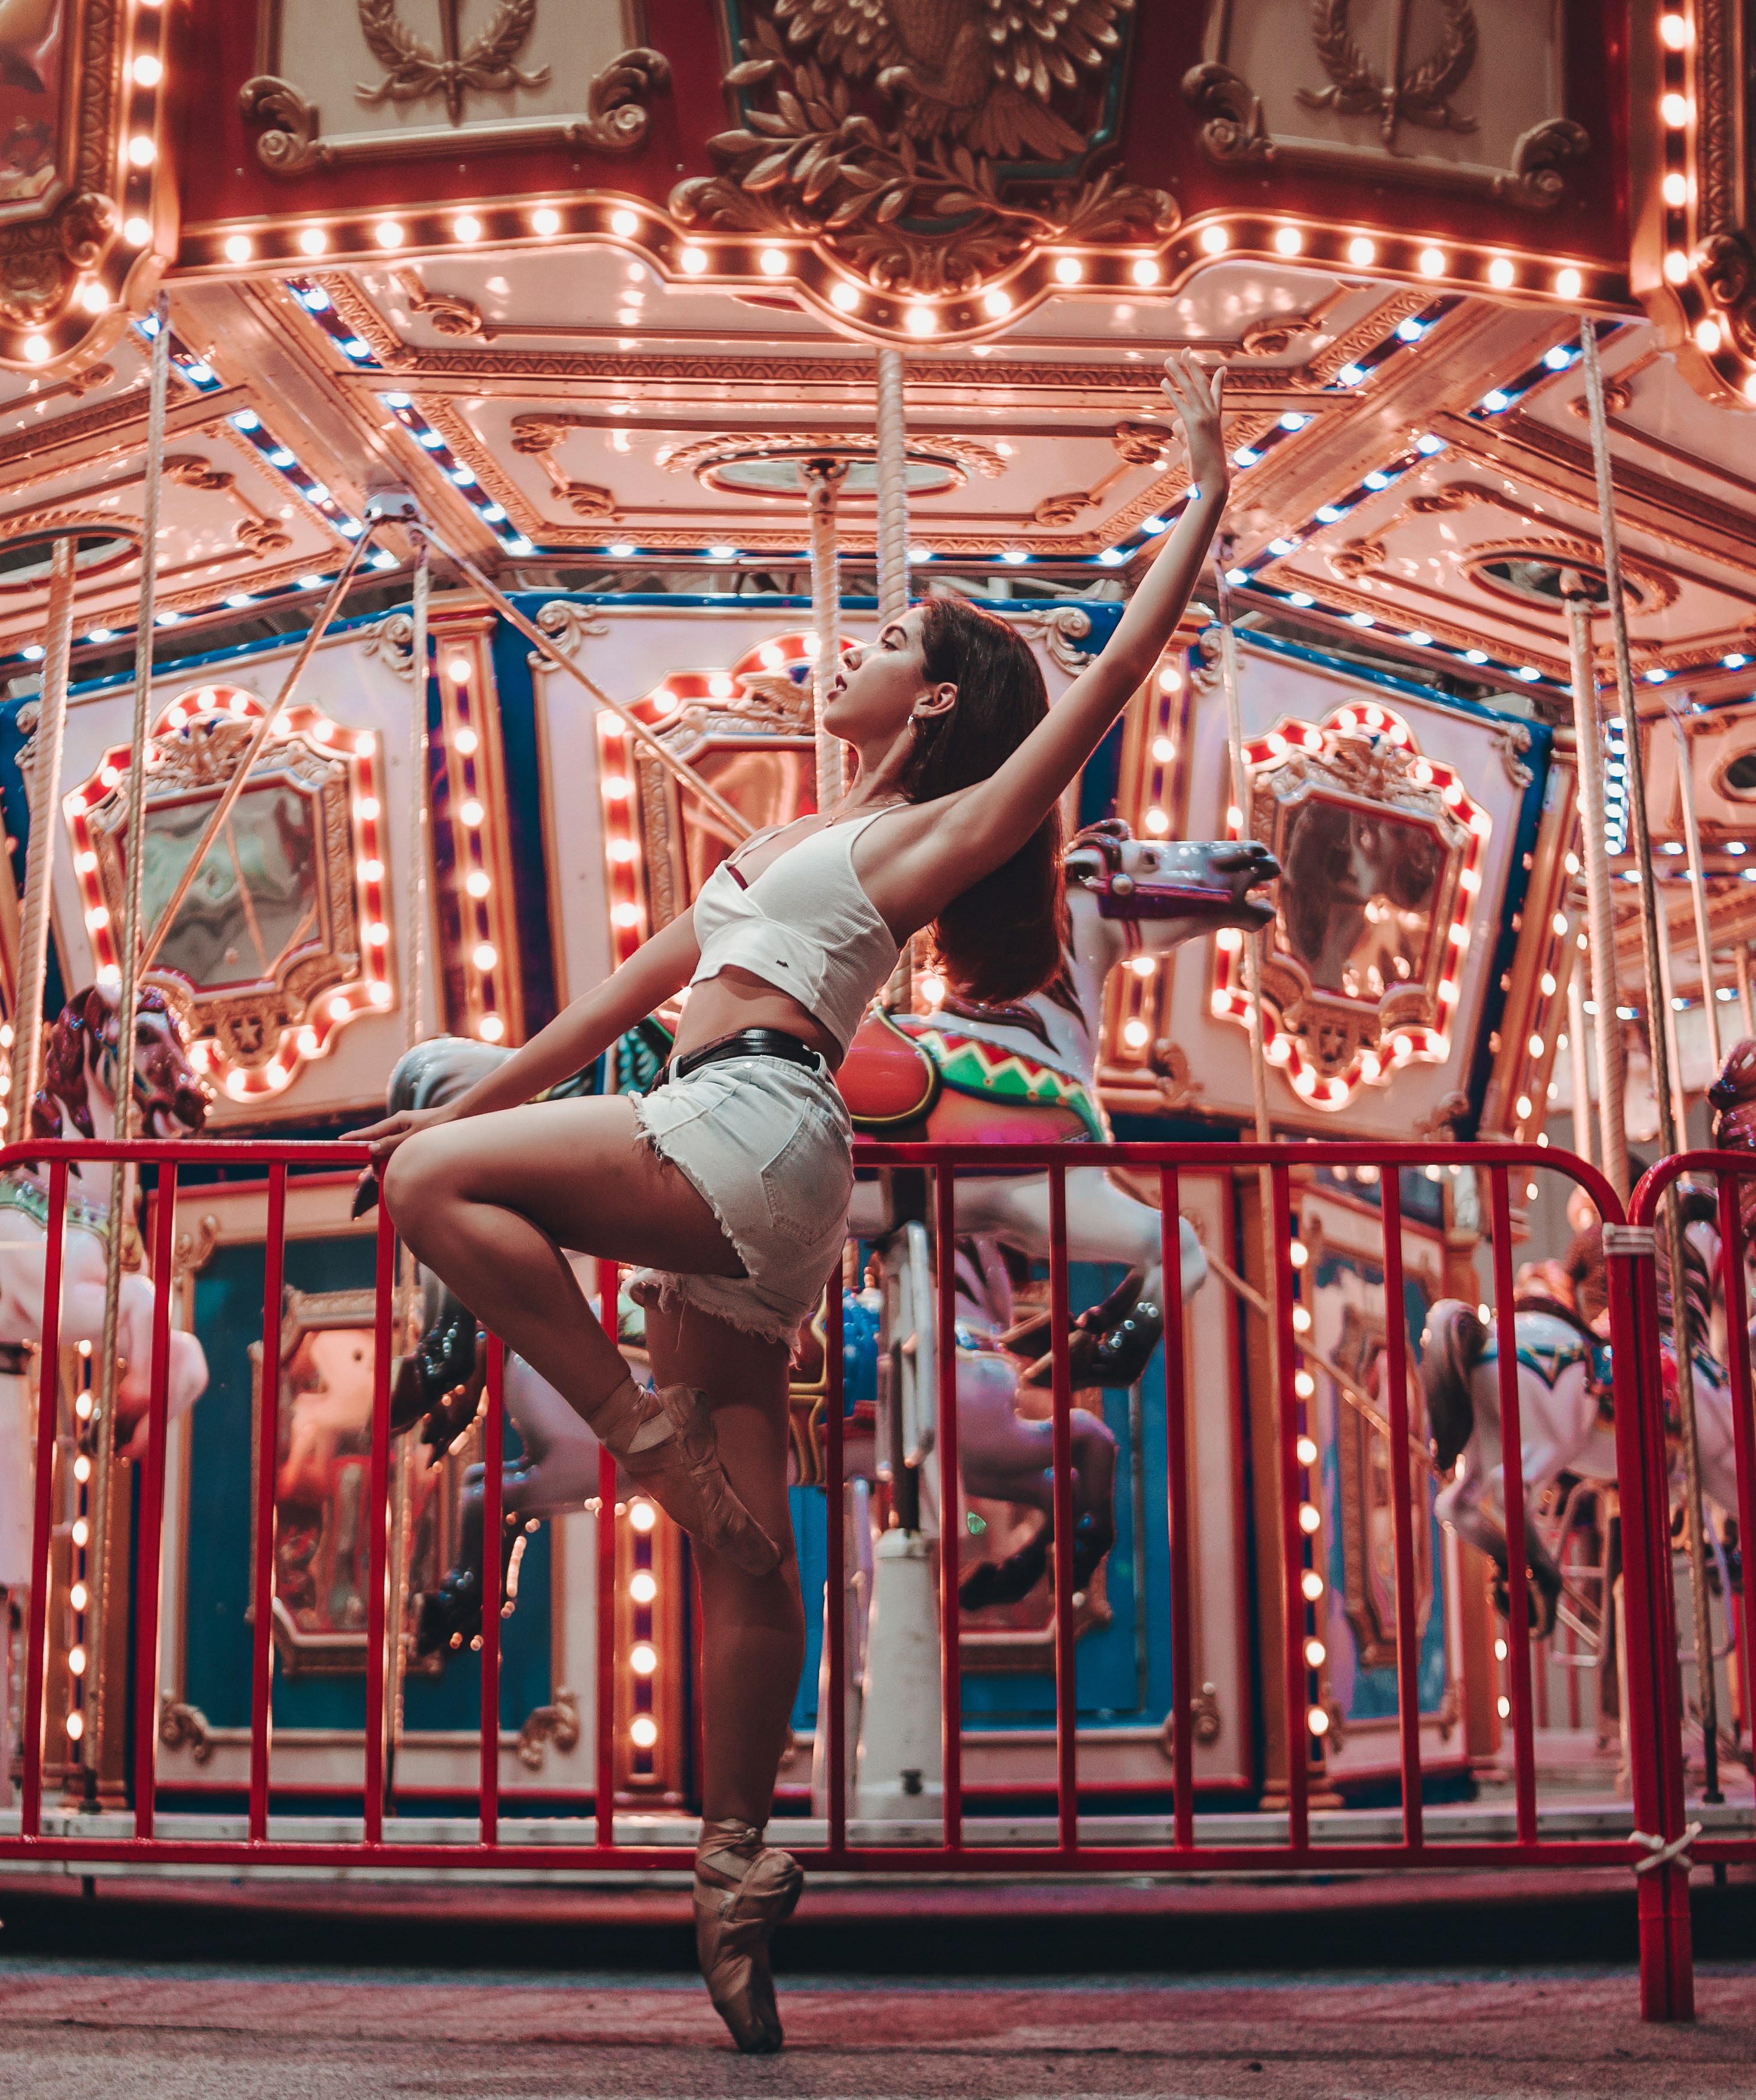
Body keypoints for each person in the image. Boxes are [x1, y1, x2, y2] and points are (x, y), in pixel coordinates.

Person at [350, 349, 1232, 2053]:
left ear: (942, 703)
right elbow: (575, 1032)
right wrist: (460, 1100)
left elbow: (1111, 673)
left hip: (756, 1119)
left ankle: (633, 1436)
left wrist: (1207, 495)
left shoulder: (916, 841)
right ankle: (738, 1875)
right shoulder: (762, 859)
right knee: (748, 1560)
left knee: (439, 1186)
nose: (860, 649)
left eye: (892, 642)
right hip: (741, 1140)